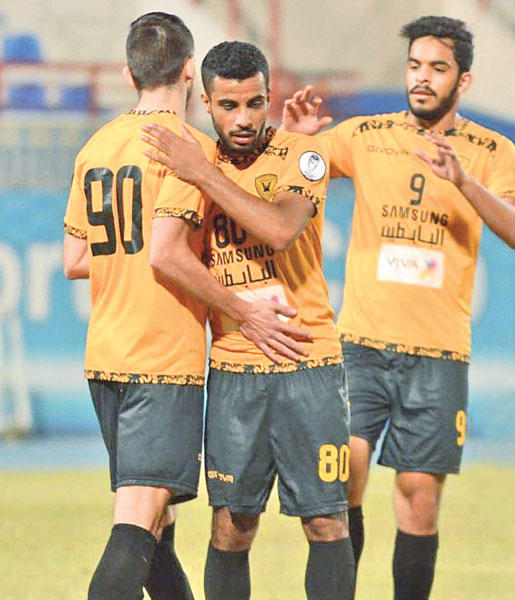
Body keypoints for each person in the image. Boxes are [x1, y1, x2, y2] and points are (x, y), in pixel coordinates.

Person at [283, 15, 515, 599]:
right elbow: (297, 167)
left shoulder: (493, 150)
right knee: (343, 476)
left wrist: (464, 182)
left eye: (437, 68)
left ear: (463, 81)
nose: (422, 78)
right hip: (361, 344)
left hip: (437, 353)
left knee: (419, 497)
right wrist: (293, 137)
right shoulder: (367, 135)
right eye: (415, 65)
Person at [62, 14, 302, 600]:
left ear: (129, 75)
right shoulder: (188, 150)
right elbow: (167, 256)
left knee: (158, 528)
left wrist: (136, 254)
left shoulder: (96, 146)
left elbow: (75, 257)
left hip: (106, 357)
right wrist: (242, 308)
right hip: (160, 360)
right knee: (137, 523)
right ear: (191, 71)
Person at [140, 41, 354, 600]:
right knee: (232, 527)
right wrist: (241, 314)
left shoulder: (302, 154)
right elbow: (167, 253)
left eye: (255, 104)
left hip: (309, 362)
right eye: (229, 106)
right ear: (207, 102)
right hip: (235, 369)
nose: (243, 119)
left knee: (326, 522)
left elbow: (280, 229)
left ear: (269, 98)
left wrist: (203, 174)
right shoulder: (189, 163)